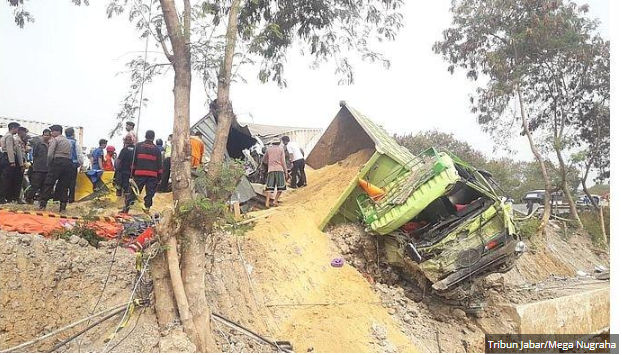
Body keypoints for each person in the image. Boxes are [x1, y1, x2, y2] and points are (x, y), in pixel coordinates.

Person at [122, 130, 162, 214]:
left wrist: (132, 173)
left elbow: (133, 162)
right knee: (150, 193)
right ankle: (147, 209)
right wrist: (159, 177)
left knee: (133, 191)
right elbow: (159, 166)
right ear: (153, 137)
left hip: (139, 174)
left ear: (145, 136)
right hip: (152, 175)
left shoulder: (138, 146)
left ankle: (126, 209)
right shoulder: (157, 150)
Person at [39, 125, 75, 212]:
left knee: (49, 183)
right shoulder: (68, 141)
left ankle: (43, 205)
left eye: (53, 131)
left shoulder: (55, 140)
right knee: (64, 185)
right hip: (68, 163)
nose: (51, 133)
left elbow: (50, 154)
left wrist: (49, 164)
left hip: (57, 162)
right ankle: (62, 207)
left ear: (57, 131)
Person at [25, 129, 51, 204]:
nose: (46, 137)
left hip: (47, 168)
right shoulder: (38, 144)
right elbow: (34, 154)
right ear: (42, 136)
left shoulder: (51, 144)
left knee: (44, 185)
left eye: (48, 135)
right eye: (45, 135)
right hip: (38, 168)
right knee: (35, 185)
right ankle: (28, 198)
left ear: (50, 136)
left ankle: (41, 201)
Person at [0, 122, 24, 203]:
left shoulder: (5, 136)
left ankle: (5, 197)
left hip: (4, 157)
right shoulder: (9, 136)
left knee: (5, 178)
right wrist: (12, 161)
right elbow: (10, 149)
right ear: (13, 128)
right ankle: (2, 197)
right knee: (6, 179)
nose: (17, 130)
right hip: (8, 157)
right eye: (17, 128)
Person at [262, 137, 288, 208]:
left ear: (272, 143)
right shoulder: (281, 149)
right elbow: (283, 161)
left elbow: (264, 160)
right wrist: (286, 172)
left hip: (271, 170)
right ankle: (275, 201)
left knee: (269, 187)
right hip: (280, 169)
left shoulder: (268, 149)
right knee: (281, 187)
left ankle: (267, 203)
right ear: (279, 143)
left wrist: (269, 163)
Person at [65, 128, 82, 203]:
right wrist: (81, 163)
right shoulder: (75, 142)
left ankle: (63, 198)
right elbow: (79, 154)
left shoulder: (63, 141)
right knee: (72, 182)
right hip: (73, 164)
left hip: (64, 164)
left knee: (64, 181)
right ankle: (71, 199)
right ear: (73, 134)